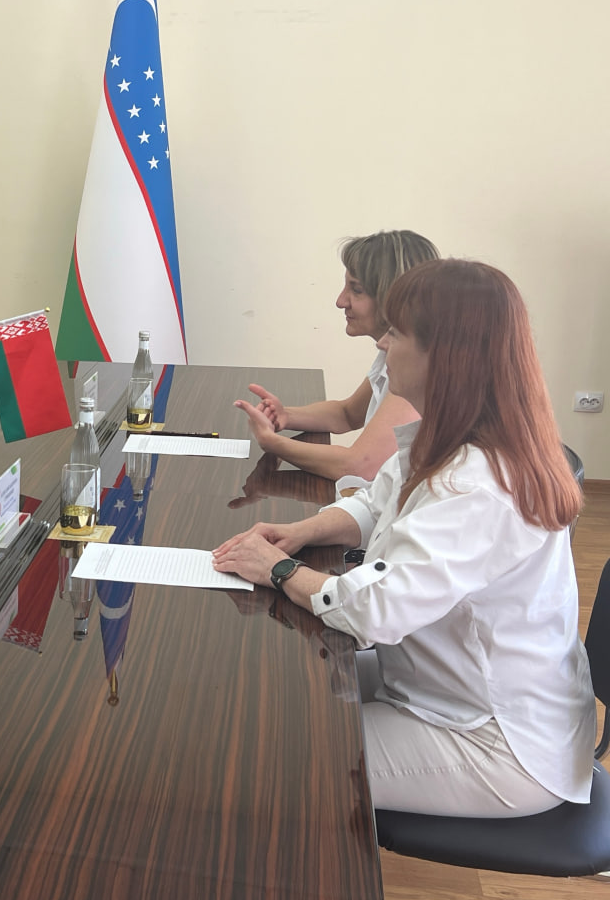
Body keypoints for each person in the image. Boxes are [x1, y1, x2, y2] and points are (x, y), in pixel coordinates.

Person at [213, 259, 592, 818]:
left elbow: (376, 610)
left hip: (498, 741)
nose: (383, 344)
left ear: (447, 356)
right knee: (277, 694)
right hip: (440, 686)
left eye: (397, 332)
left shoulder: (480, 485)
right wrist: (299, 532)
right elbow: (376, 501)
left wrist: (279, 569)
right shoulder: (452, 433)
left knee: (277, 756)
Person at [234, 230, 439, 483]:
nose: (340, 301)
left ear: (392, 296)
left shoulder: (416, 371)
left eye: (357, 290)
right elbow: (347, 414)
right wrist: (285, 415)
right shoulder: (393, 352)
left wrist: (272, 442)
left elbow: (359, 466)